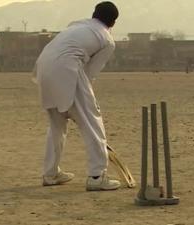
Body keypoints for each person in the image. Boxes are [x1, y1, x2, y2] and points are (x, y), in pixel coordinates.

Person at [34, 1, 120, 191]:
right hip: (68, 68)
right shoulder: (107, 39)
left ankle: (50, 173)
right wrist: (87, 101)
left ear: (93, 15)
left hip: (43, 67)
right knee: (92, 121)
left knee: (57, 124)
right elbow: (90, 72)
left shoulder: (77, 25)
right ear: (113, 22)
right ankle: (97, 176)